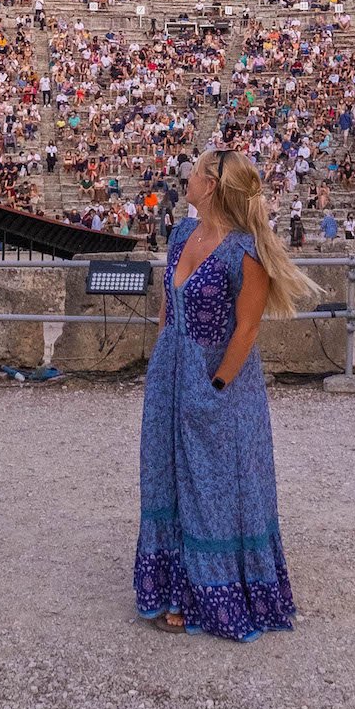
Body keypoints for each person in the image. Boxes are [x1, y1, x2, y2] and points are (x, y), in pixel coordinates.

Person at [135, 148, 315, 642]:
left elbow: (248, 328)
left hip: (221, 379)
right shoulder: (180, 235)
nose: (185, 178)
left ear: (210, 185)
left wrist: (215, 387)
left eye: (193, 172)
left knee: (214, 481)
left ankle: (215, 589)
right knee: (167, 472)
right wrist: (162, 363)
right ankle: (177, 585)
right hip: (172, 371)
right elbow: (168, 308)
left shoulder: (245, 251)